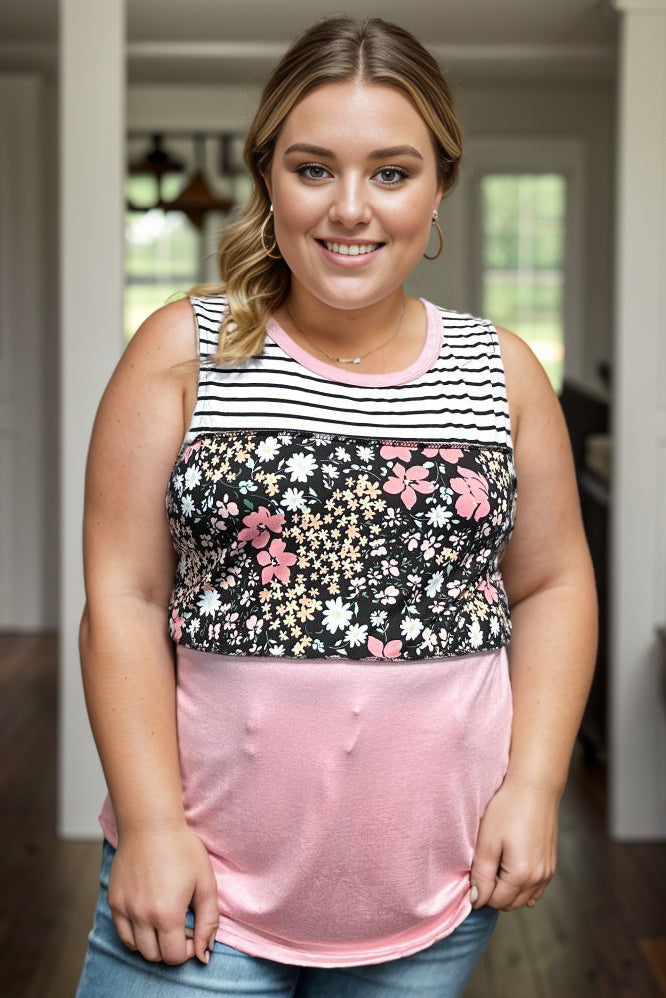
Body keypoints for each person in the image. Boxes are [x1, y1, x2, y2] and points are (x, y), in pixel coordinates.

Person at [75, 15, 597, 998]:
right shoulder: (182, 352)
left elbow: (555, 582)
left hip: (437, 901)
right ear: (267, 175)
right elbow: (125, 598)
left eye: (391, 173)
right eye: (314, 168)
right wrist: (148, 824)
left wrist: (536, 783)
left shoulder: (503, 373)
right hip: (200, 894)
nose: (350, 209)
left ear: (439, 184)